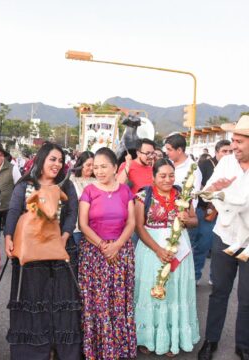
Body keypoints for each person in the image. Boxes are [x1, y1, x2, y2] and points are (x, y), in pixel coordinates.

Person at [4, 142, 81, 360]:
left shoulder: (66, 186)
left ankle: (61, 350)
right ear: (41, 160)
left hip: (61, 252)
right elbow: (13, 212)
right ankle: (33, 352)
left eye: (60, 161)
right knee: (33, 301)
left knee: (61, 301)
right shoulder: (25, 185)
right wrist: (8, 238)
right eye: (52, 159)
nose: (57, 164)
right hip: (31, 254)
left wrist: (63, 238)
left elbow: (72, 213)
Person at [134, 158, 199, 357]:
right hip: (151, 250)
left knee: (175, 291)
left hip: (179, 249)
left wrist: (188, 219)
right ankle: (147, 338)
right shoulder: (143, 196)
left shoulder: (183, 194)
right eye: (162, 175)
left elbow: (195, 221)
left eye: (171, 175)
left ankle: (174, 338)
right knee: (150, 290)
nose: (167, 179)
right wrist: (158, 250)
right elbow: (139, 227)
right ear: (153, 177)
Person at [198, 116, 249, 360]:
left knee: (247, 297)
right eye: (233, 140)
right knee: (219, 291)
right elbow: (206, 195)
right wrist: (215, 189)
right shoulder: (227, 163)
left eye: (239, 141)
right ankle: (211, 340)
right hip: (224, 236)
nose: (234, 146)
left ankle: (243, 345)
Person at [79, 147, 137, 360]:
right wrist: (104, 245)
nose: (99, 171)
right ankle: (98, 351)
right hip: (94, 254)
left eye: (104, 166)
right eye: (96, 167)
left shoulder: (125, 190)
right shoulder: (89, 191)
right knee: (98, 302)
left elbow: (131, 222)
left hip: (122, 253)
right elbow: (83, 224)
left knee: (119, 301)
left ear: (115, 167)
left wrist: (118, 245)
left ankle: (120, 350)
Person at [191, 140, 232, 283]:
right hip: (206, 212)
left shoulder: (233, 166)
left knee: (221, 249)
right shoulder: (205, 165)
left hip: (226, 214)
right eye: (224, 151)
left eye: (230, 151)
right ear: (216, 152)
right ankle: (195, 277)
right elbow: (197, 187)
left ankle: (215, 278)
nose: (227, 154)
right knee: (203, 246)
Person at [164, 133, 202, 207]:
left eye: (169, 149)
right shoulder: (167, 163)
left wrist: (188, 215)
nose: (166, 152)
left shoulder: (193, 169)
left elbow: (193, 196)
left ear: (179, 150)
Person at [69, 150, 95, 246]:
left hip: (94, 228)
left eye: (93, 165)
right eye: (88, 165)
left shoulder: (97, 181)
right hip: (77, 227)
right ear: (81, 164)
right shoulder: (72, 180)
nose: (91, 168)